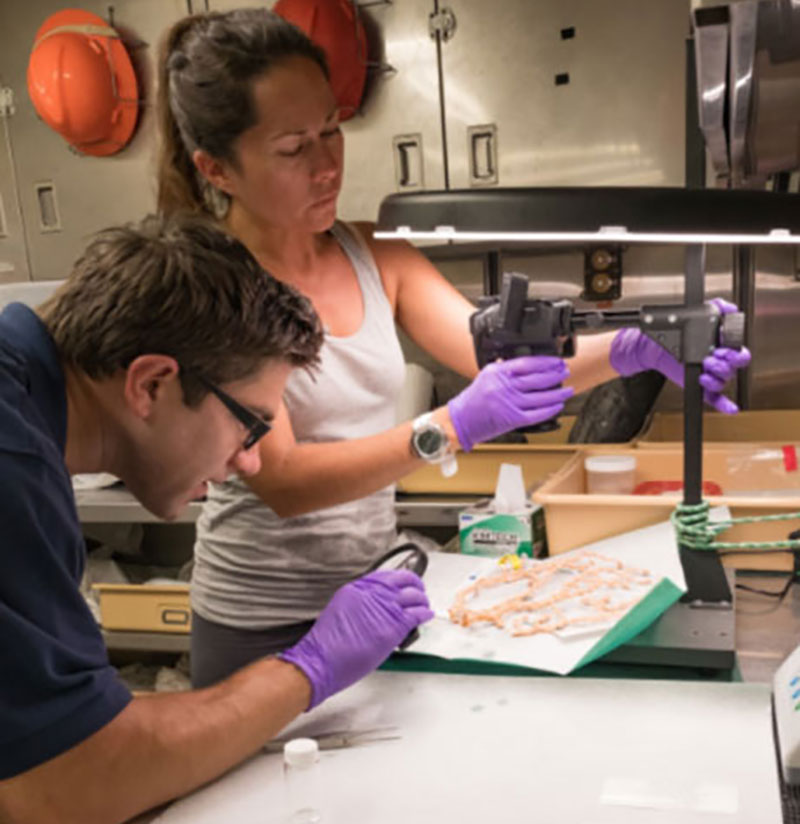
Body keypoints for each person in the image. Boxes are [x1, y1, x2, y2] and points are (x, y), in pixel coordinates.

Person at [156, 7, 751, 688]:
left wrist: (635, 346)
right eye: (294, 148)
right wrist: (447, 428)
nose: (326, 166)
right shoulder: (214, 284)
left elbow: (497, 360)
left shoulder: (372, 251)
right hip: (261, 625)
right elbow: (286, 480)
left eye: (332, 131)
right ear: (218, 168)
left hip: (378, 599)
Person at [0, 213, 433, 824]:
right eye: (250, 423)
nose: (249, 461)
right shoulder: (11, 462)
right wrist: (309, 668)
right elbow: (69, 784)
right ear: (151, 384)